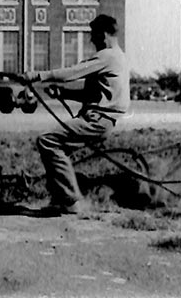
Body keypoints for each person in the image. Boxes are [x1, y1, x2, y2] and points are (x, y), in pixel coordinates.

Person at [23, 14, 130, 215]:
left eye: (93, 34)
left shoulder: (108, 56)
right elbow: (91, 94)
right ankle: (61, 198)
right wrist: (63, 93)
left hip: (97, 121)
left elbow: (72, 72)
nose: (91, 39)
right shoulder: (117, 57)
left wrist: (38, 76)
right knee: (56, 147)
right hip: (100, 119)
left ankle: (71, 201)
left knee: (48, 141)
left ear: (104, 34)